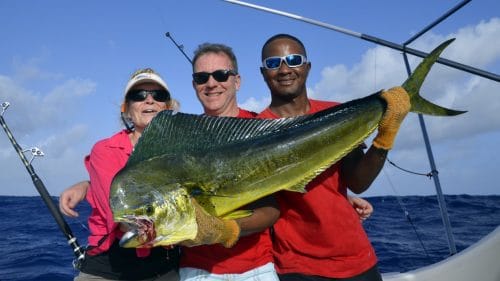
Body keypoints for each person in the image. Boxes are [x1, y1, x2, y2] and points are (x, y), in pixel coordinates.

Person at [257, 34, 410, 281]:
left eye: (293, 60)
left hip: (357, 258)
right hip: (298, 266)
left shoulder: (338, 113)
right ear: (264, 72)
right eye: (274, 63)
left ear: (307, 67)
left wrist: (385, 136)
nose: (285, 69)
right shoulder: (256, 130)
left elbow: (357, 181)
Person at [178, 42, 281, 280]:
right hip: (197, 269)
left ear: (237, 81)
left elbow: (279, 196)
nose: (211, 83)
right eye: (202, 77)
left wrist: (226, 230)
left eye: (221, 75)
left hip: (258, 267)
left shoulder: (262, 129)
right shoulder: (182, 137)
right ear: (194, 85)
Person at [71, 68, 181, 281]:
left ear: (168, 107)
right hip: (110, 266)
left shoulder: (181, 150)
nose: (149, 100)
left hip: (164, 264)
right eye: (138, 95)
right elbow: (122, 213)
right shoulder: (104, 150)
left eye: (158, 95)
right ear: (126, 109)